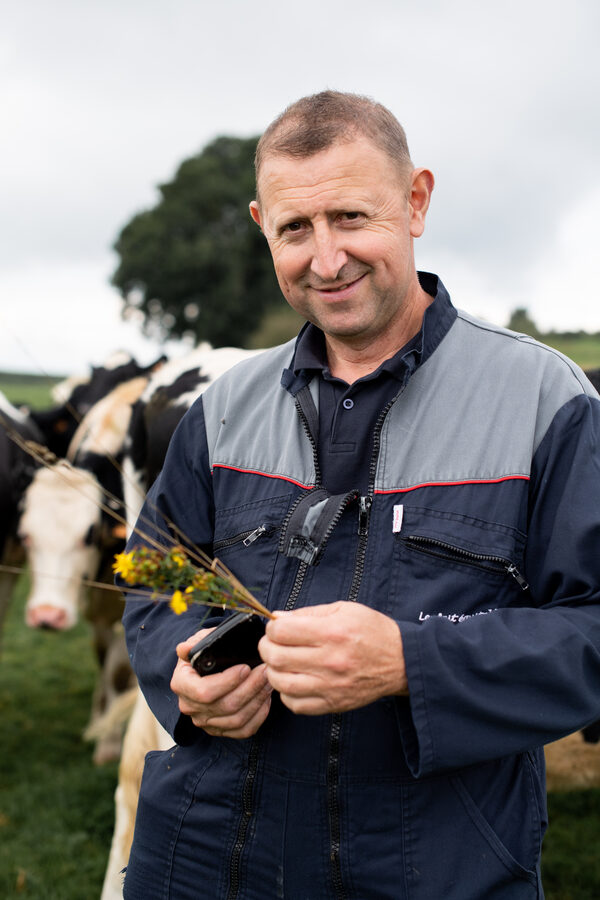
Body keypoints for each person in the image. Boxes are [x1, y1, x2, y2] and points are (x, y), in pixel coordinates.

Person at [121, 91, 600, 899]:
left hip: (432, 868)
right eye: (294, 229)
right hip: (201, 862)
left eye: (350, 217)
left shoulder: (544, 402)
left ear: (416, 202)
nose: (326, 258)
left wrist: (413, 662)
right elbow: (150, 575)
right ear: (261, 226)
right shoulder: (224, 406)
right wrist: (185, 677)